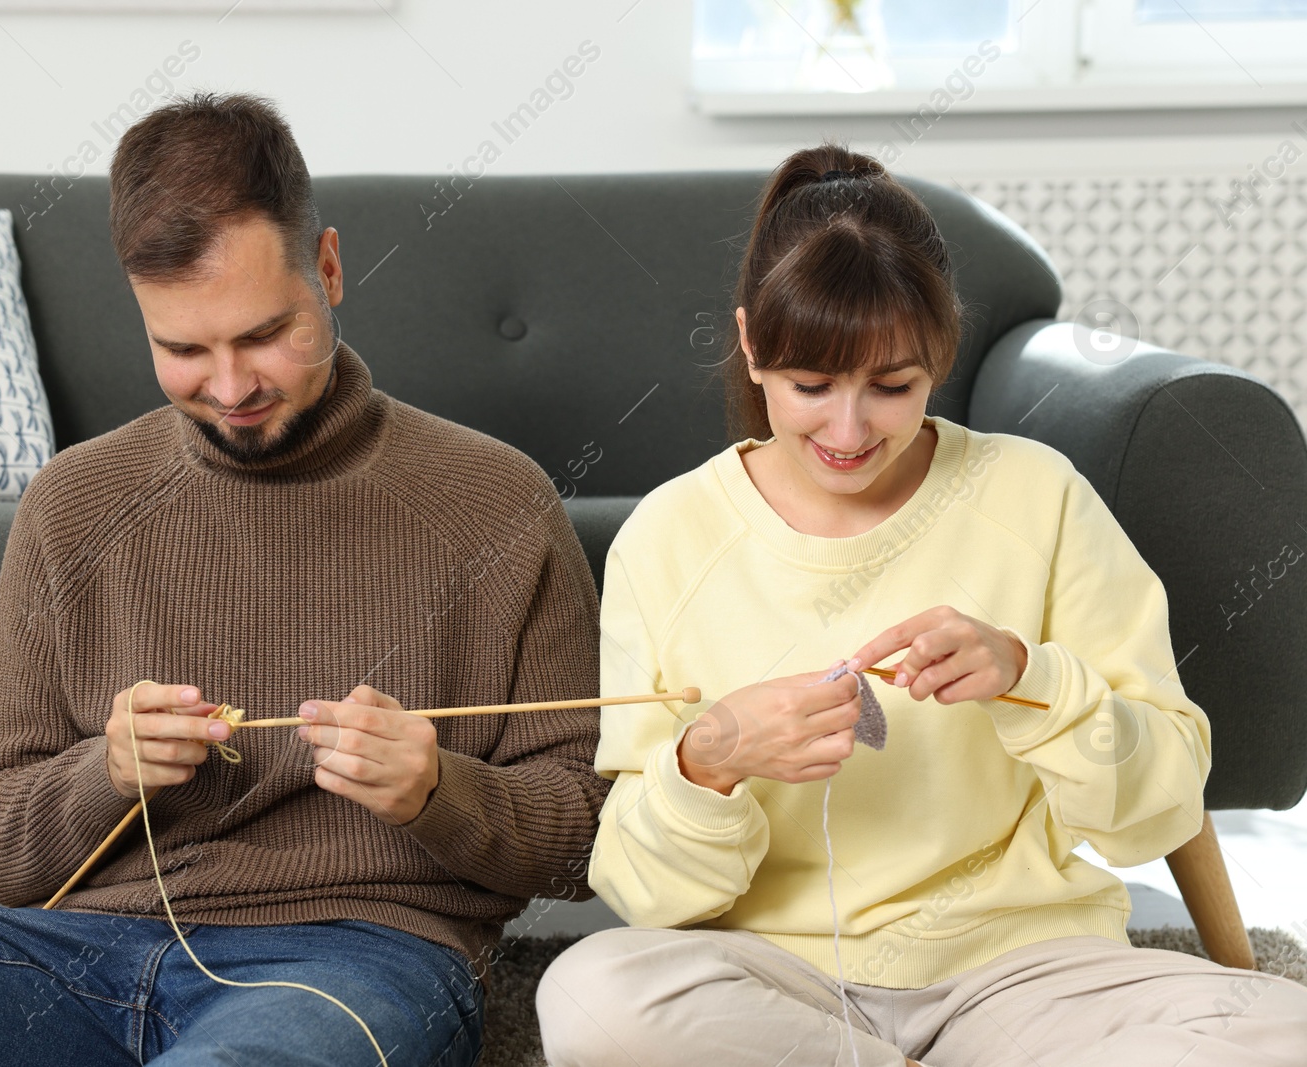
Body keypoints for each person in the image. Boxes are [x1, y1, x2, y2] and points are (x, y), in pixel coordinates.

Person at [0, 92, 608, 1067]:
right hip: (79, 955)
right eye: (183, 348)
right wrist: (108, 771)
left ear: (331, 268)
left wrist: (437, 786)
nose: (229, 387)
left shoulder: (496, 500)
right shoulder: (75, 503)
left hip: (360, 956)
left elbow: (585, 836)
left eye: (263, 334)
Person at [535, 144, 1307, 1067]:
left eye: (892, 386)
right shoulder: (668, 537)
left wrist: (1034, 682)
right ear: (751, 345)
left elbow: (1160, 806)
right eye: (809, 386)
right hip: (771, 976)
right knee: (591, 996)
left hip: (1026, 969)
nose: (849, 431)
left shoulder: (1038, 496)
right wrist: (707, 765)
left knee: (1277, 1031)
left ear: (943, 353)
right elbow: (649, 895)